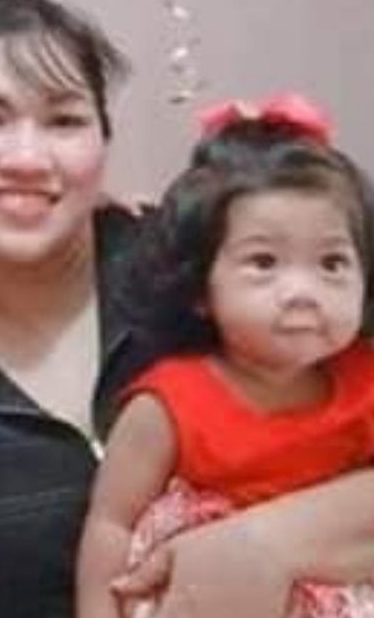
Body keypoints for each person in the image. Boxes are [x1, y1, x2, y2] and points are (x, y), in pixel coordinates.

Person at [0, 0, 374, 618]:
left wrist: (256, 546)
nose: (27, 159)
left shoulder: (202, 268)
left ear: (103, 143)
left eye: (64, 121)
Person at [77, 95, 374, 618]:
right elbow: (110, 526)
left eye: (332, 263)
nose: (302, 292)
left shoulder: (366, 376)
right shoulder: (168, 403)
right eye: (264, 262)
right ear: (200, 288)